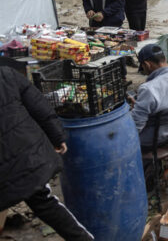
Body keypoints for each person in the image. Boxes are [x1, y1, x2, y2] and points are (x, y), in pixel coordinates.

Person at [0, 67, 94, 241]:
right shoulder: (6, 74)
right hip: (26, 157)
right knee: (45, 203)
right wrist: (57, 136)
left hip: (18, 159)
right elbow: (39, 106)